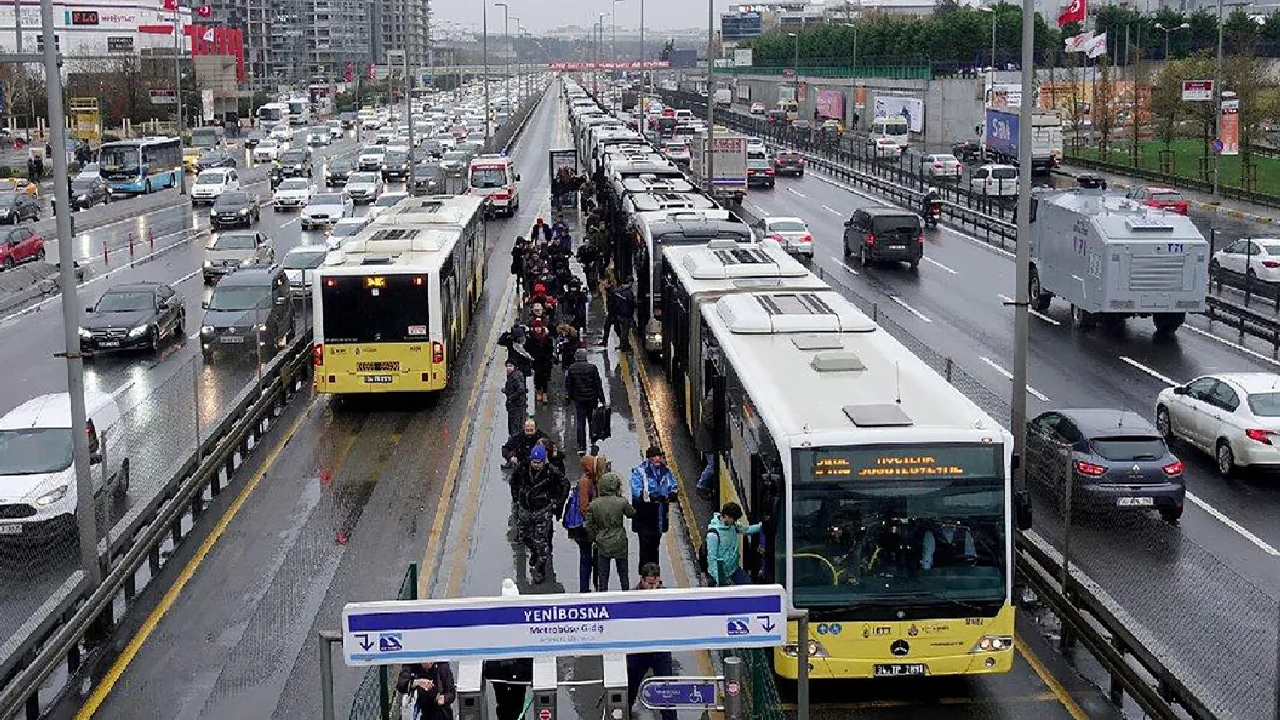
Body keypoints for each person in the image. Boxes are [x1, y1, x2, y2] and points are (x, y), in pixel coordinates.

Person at [626, 564, 677, 720]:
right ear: (642, 580)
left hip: (660, 650)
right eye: (649, 584)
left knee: (667, 692)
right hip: (638, 651)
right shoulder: (632, 598)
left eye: (655, 583)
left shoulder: (666, 596)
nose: (652, 588)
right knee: (630, 690)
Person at [514, 444, 569, 583]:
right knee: (524, 536)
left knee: (542, 541)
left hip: (542, 510)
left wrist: (557, 502)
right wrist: (517, 497)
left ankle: (541, 569)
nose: (536, 465)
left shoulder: (552, 472)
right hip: (525, 509)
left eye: (539, 463)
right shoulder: (523, 468)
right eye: (534, 462)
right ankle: (533, 552)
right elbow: (513, 481)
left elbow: (565, 485)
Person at [483, 579, 533, 720]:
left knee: (504, 706)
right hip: (517, 673)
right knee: (516, 706)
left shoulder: (495, 620)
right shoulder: (523, 620)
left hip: (501, 674)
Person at [629, 446, 678, 573]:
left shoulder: (665, 471)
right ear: (649, 458)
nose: (658, 459)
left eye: (659, 456)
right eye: (655, 456)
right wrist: (652, 496)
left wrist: (672, 493)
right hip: (645, 517)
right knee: (645, 548)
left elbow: (673, 486)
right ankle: (645, 576)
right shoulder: (640, 472)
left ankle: (654, 575)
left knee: (655, 546)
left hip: (659, 516)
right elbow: (636, 492)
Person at [585, 471, 635, 591]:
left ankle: (603, 596)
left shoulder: (594, 505)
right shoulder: (621, 502)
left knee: (603, 575)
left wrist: (595, 538)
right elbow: (631, 513)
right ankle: (626, 594)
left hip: (602, 543)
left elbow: (589, 525)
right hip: (620, 542)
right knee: (623, 574)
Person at [567, 454, 607, 593]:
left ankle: (591, 587)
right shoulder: (586, 482)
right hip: (585, 529)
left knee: (590, 558)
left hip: (588, 527)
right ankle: (586, 588)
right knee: (587, 558)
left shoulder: (591, 479)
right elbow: (584, 507)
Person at [705, 502, 762, 587]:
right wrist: (719, 580)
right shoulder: (713, 535)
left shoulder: (733, 526)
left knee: (750, 588)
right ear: (726, 516)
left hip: (733, 569)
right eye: (733, 519)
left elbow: (746, 530)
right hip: (718, 574)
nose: (734, 521)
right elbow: (712, 559)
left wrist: (761, 526)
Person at [564, 347, 605, 455]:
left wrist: (570, 397)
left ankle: (581, 445)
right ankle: (593, 440)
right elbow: (597, 384)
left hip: (579, 400)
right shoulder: (592, 368)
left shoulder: (572, 369)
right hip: (592, 399)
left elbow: (569, 385)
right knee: (592, 421)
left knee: (580, 422)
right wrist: (602, 399)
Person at [525, 320, 555, 406]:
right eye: (536, 327)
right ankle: (538, 391)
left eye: (539, 327)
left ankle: (545, 393)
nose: (538, 329)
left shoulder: (547, 338)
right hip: (536, 361)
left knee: (545, 377)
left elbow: (550, 349)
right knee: (537, 376)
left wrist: (549, 357)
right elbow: (527, 349)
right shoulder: (531, 339)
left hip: (546, 361)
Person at [695, 392, 717, 501]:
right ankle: (701, 486)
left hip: (709, 440)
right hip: (708, 441)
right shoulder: (710, 402)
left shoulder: (712, 399)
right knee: (712, 466)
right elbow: (709, 421)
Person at [605, 281, 636, 351]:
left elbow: (613, 303)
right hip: (626, 315)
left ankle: (624, 344)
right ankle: (624, 347)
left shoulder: (617, 291)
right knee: (625, 331)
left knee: (619, 330)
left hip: (618, 314)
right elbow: (631, 304)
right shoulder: (629, 292)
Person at [501, 361, 527, 438]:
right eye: (507, 366)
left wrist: (511, 397)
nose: (508, 368)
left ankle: (515, 441)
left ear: (515, 367)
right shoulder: (514, 375)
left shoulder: (515, 377)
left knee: (515, 425)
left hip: (515, 406)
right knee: (515, 424)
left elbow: (521, 389)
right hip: (515, 405)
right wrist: (506, 390)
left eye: (510, 366)